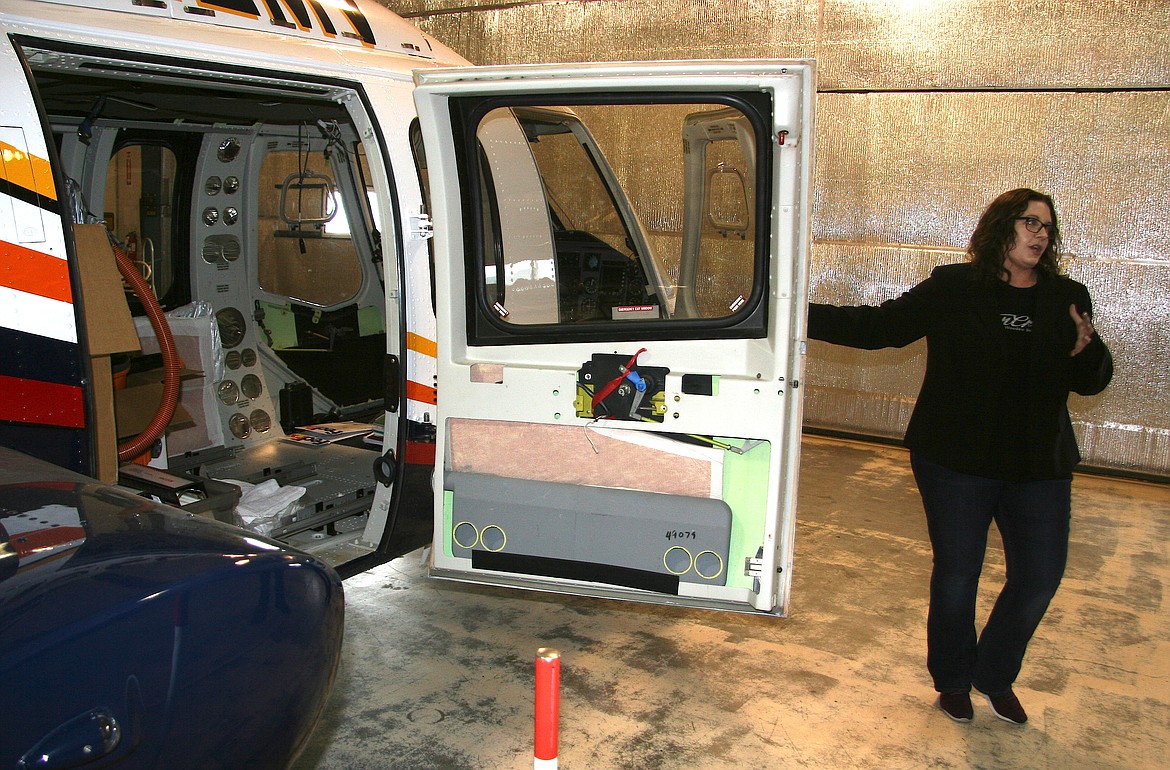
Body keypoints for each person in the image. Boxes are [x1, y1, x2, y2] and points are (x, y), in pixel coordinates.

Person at [806, 188, 1113, 725]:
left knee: (1040, 576)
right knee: (958, 573)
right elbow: (878, 329)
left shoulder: (1064, 295)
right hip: (955, 460)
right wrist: (790, 313)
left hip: (1038, 464)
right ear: (1000, 228)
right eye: (1029, 223)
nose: (1040, 234)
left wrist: (1090, 352)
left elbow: (1091, 382)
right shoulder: (954, 288)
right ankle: (952, 679)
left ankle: (993, 675)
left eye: (1047, 226)